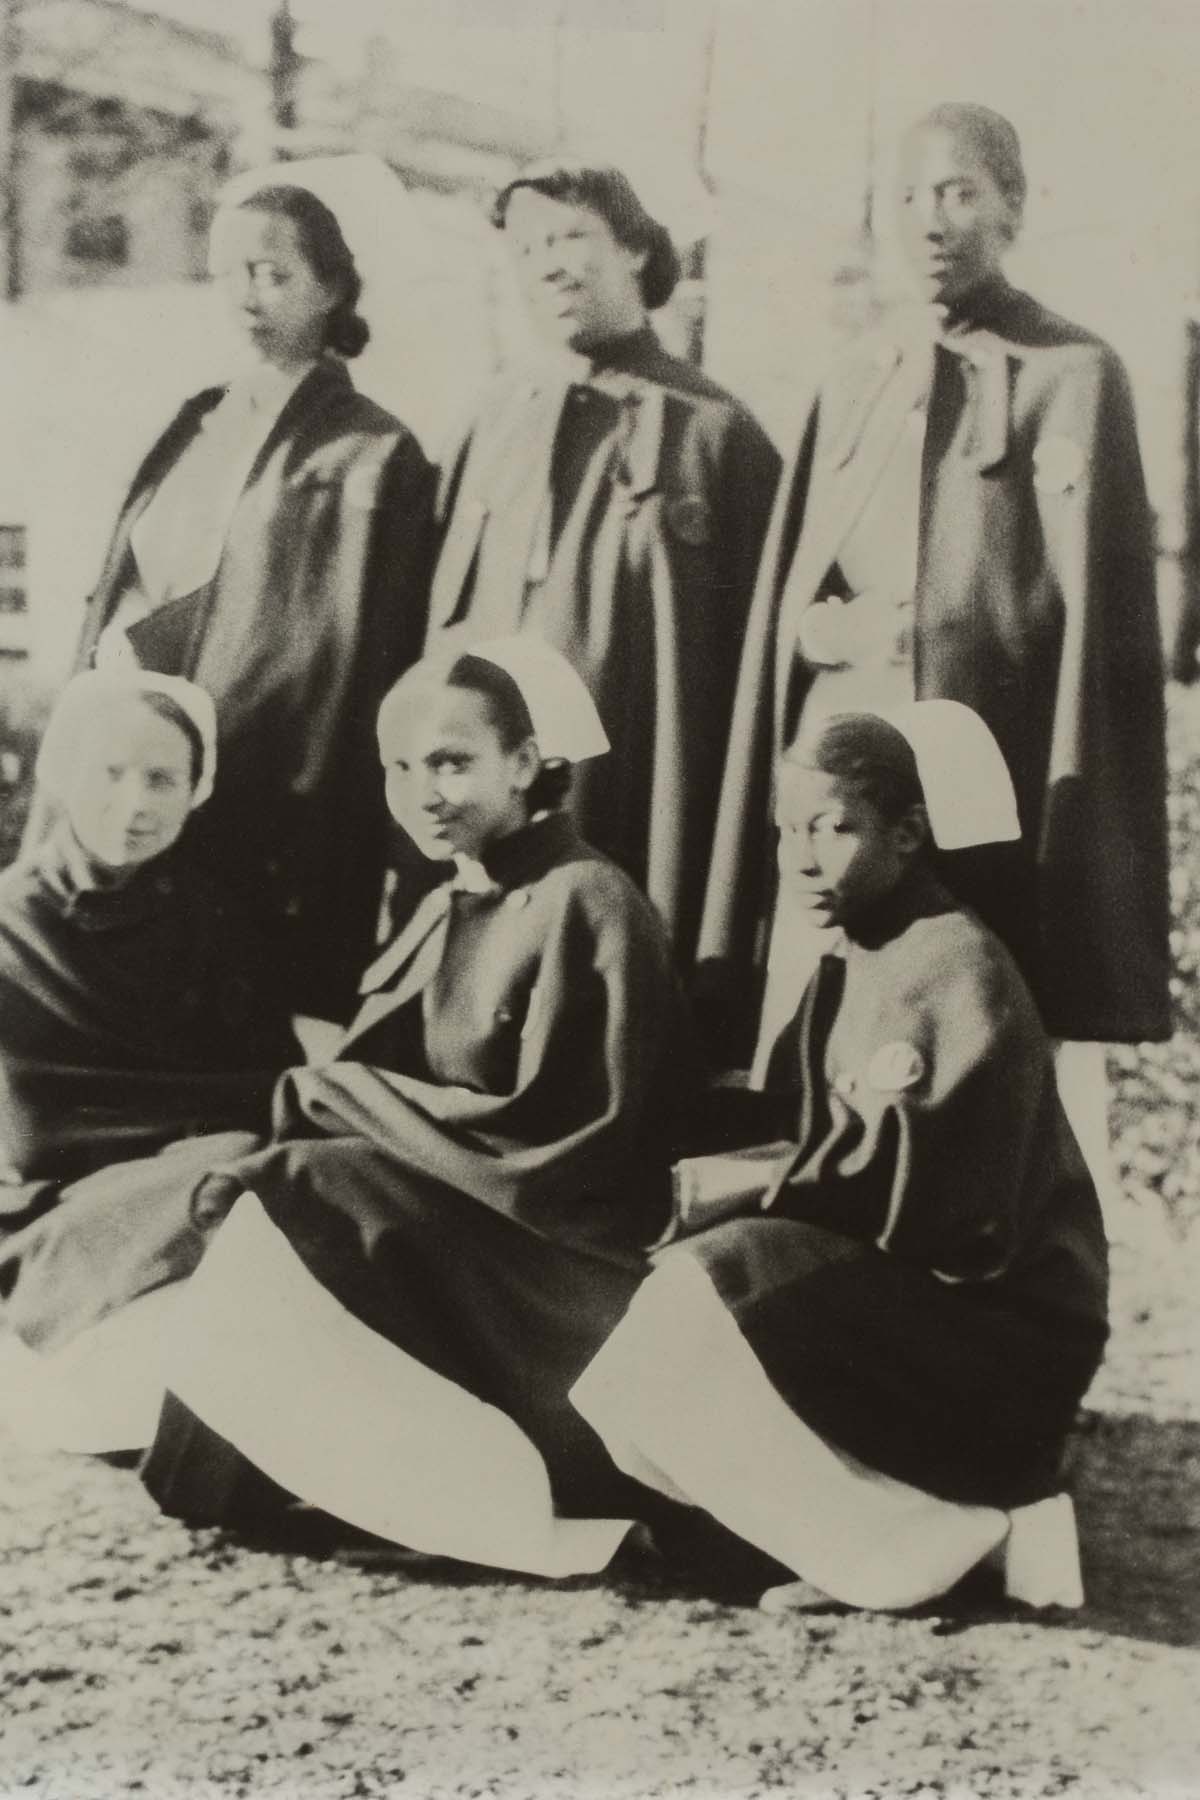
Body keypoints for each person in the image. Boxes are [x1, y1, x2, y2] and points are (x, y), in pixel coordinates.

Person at [136, 639, 696, 1579]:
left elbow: (569, 1148)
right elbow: (368, 1069)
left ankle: (242, 1485)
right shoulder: (454, 899)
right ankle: (225, 1480)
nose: (423, 791)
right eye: (400, 766)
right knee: (262, 1179)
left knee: (296, 1185)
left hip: (566, 1263)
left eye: (452, 761)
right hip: (468, 1214)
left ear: (526, 764)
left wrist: (341, 1096)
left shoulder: (586, 902)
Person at [699, 103, 1170, 1138]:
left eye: (959, 192)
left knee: (972, 1060)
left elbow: (1095, 635)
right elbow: (798, 589)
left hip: (984, 790)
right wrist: (819, 636)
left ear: (1013, 207)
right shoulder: (858, 374)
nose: (931, 220)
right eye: (907, 196)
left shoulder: (1075, 376)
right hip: (843, 783)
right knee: (830, 1045)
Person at [573, 704, 1108, 1613]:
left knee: (715, 1279)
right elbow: (802, 1119)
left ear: (907, 836)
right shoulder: (860, 951)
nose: (803, 859)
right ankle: (875, 1529)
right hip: (923, 1291)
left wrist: (739, 1194)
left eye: (835, 829)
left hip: (1000, 1327)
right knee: (674, 1297)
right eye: (787, 831)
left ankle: (932, 1538)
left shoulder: (954, 966)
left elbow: (942, 1206)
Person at [50, 167, 436, 1020]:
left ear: (330, 286)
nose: (248, 297)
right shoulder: (195, 421)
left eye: (273, 274)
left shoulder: (370, 455)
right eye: (229, 275)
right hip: (148, 759)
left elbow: (352, 652)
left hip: (275, 786)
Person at [427, 160, 781, 968]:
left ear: (633, 249)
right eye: (526, 247)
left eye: (572, 236)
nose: (549, 263)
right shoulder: (487, 425)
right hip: (487, 812)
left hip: (638, 807)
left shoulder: (717, 434)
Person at [0, 669, 296, 1372]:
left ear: (198, 792)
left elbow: (265, 1081)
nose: (134, 804)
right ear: (65, 774)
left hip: (187, 1185)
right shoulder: (9, 921)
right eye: (110, 772)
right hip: (51, 1208)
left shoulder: (215, 919)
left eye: (163, 779)